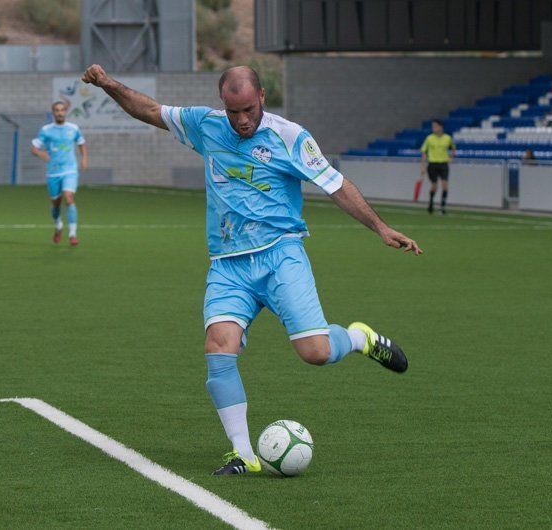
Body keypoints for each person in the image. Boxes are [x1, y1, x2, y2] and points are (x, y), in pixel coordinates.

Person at [81, 64, 422, 476]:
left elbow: (335, 185)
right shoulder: (206, 125)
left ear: (262, 96)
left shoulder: (290, 136)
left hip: (281, 255)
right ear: (222, 105)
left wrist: (380, 227)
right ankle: (244, 454)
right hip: (228, 265)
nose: (242, 120)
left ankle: (358, 337)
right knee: (218, 348)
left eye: (248, 110)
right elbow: (151, 111)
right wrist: (108, 85)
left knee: (314, 353)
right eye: (233, 112)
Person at [30, 101, 88, 246]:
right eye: (57, 110)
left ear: (65, 112)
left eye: (62, 110)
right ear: (53, 113)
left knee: (68, 198)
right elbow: (34, 148)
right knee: (56, 204)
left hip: (70, 170)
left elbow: (81, 143)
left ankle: (72, 234)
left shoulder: (73, 128)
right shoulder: (46, 130)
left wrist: (84, 158)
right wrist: (41, 153)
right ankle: (58, 226)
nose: (60, 112)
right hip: (53, 172)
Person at [420, 119, 455, 215]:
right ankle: (431, 203)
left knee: (445, 186)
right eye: (433, 126)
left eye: (435, 126)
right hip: (432, 164)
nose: (433, 128)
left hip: (443, 164)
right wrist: (422, 166)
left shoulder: (448, 138)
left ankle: (442, 207)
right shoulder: (429, 138)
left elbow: (453, 148)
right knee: (434, 186)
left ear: (440, 127)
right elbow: (424, 152)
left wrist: (451, 157)